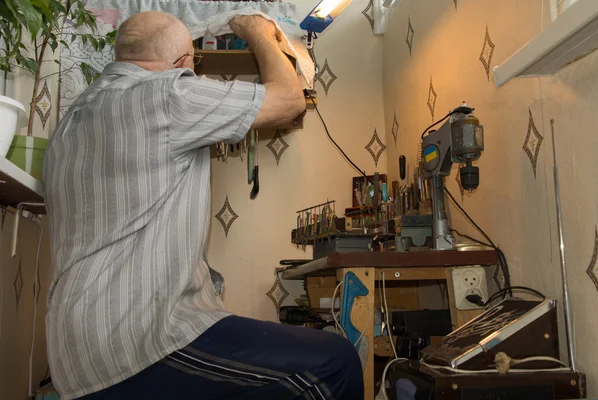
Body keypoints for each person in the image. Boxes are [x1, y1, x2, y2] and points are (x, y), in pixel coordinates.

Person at [43, 11, 363, 400]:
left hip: (72, 352)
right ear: (181, 63)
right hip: (139, 339)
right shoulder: (166, 93)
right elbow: (289, 100)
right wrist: (258, 32)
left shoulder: (71, 120)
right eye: (193, 63)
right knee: (333, 361)